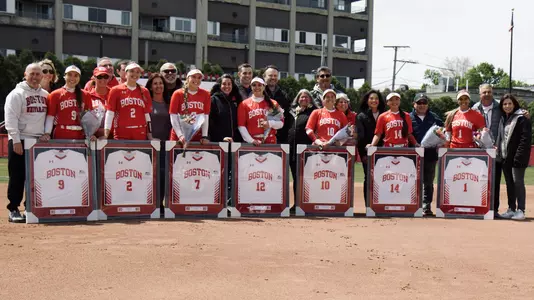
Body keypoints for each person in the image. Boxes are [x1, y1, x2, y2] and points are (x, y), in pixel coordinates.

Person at [4, 63, 50, 222]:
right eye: (32, 74)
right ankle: (13, 209)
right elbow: (10, 119)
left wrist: (46, 134)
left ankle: (30, 206)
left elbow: (48, 118)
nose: (36, 77)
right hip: (21, 139)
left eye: (38, 74)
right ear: (25, 74)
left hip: (37, 141)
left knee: (37, 176)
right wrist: (15, 140)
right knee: (17, 176)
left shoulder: (45, 95)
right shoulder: (16, 94)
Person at [471, 84, 505, 217]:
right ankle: (478, 207)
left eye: (489, 92)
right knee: (478, 180)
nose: (486, 94)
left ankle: (494, 210)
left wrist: (523, 113)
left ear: (492, 93)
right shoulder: (474, 109)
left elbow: (512, 112)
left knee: (495, 182)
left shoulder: (500, 107)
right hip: (479, 152)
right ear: (480, 94)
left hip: (496, 151)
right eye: (484, 92)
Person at [496, 94, 531, 220]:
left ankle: (521, 210)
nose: (507, 106)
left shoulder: (522, 118)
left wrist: (519, 156)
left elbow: (525, 139)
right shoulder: (503, 119)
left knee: (518, 183)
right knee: (510, 184)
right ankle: (511, 209)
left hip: (518, 157)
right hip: (506, 157)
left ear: (514, 104)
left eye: (509, 103)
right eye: (504, 104)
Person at [410, 93, 444, 216]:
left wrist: (440, 142)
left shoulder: (434, 118)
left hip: (430, 154)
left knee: (428, 182)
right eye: (419, 103)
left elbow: (443, 133)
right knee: (411, 180)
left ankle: (426, 206)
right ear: (414, 104)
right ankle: (412, 204)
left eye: (424, 103)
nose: (422, 105)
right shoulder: (408, 117)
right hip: (412, 156)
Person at [104, 62, 153, 140]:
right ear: (126, 73)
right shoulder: (115, 90)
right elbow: (110, 113)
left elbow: (147, 115)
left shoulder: (144, 91)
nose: (135, 74)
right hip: (121, 132)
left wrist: (150, 135)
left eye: (138, 72)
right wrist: (105, 135)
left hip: (139, 132)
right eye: (132, 71)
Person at [45, 65, 94, 140]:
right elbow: (50, 117)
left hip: (80, 135)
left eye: (76, 75)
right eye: (70, 75)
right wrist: (47, 133)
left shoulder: (86, 95)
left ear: (79, 78)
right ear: (64, 76)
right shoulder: (55, 94)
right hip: (61, 133)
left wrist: (90, 133)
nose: (72, 78)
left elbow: (89, 117)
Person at [146, 73, 172, 216]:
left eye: (160, 83)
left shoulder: (169, 103)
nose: (158, 86)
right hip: (150, 146)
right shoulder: (146, 103)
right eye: (155, 83)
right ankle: (151, 204)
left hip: (166, 147)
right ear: (150, 86)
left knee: (163, 175)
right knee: (150, 176)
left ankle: (161, 204)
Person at [287, 89, 316, 207]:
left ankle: (308, 203)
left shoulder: (314, 112)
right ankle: (297, 204)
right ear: (298, 99)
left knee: (308, 178)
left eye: (306, 97)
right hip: (292, 150)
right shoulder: (292, 112)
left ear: (310, 99)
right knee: (296, 178)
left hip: (307, 150)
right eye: (301, 97)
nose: (304, 99)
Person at [357, 90, 386, 204]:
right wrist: (363, 154)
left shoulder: (385, 114)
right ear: (367, 100)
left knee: (383, 178)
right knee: (368, 179)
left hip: (383, 152)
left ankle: (381, 203)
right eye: (371, 98)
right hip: (367, 152)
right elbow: (360, 139)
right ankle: (368, 205)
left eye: (376, 98)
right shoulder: (361, 116)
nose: (374, 101)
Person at [237, 77, 284, 145]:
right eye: (254, 85)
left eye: (259, 85)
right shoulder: (244, 104)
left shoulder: (273, 103)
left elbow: (281, 123)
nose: (257, 87)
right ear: (251, 87)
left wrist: (269, 124)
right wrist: (252, 141)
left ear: (264, 87)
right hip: (251, 144)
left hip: (270, 143)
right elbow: (241, 126)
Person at [169, 69, 210, 144]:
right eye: (194, 77)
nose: (196, 80)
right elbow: (173, 116)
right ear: (188, 78)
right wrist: (180, 135)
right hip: (179, 137)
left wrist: (204, 136)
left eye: (199, 77)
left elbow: (205, 116)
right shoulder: (178, 93)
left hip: (196, 137)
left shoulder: (206, 94)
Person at [209, 74, 243, 143]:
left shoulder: (237, 99)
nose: (227, 86)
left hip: (235, 142)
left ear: (232, 85)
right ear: (220, 85)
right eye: (224, 84)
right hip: (219, 142)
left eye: (229, 84)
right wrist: (221, 138)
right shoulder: (213, 100)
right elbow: (210, 123)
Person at [263, 65, 291, 144]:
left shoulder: (284, 95)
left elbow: (287, 117)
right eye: (270, 75)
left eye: (275, 76)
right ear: (264, 77)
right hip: (261, 137)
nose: (273, 78)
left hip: (280, 138)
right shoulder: (259, 93)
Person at [87, 66, 110, 137]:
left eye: (105, 76)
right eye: (99, 77)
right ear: (94, 78)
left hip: (112, 137)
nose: (103, 79)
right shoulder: (87, 95)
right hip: (93, 137)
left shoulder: (114, 94)